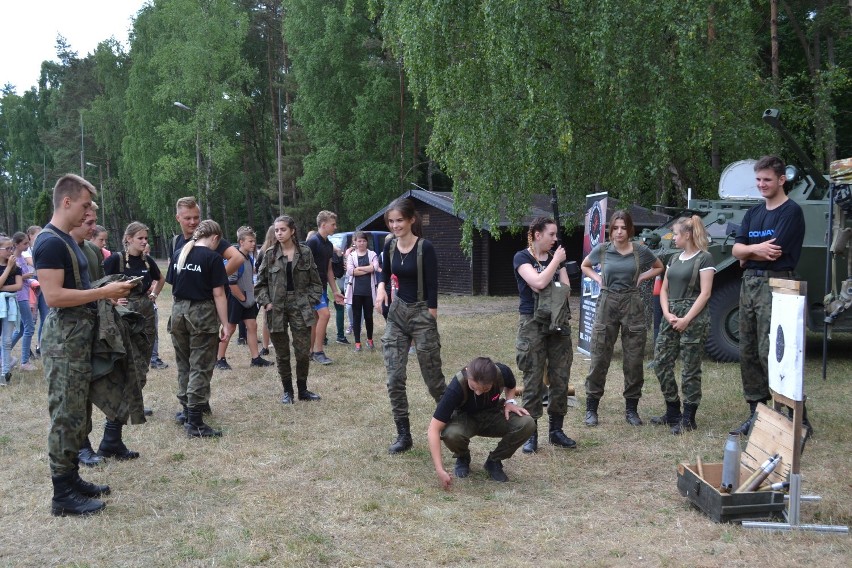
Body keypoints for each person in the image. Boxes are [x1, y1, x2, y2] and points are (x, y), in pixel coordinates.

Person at [33, 173, 133, 516]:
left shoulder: (67, 241)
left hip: (79, 337)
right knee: (65, 414)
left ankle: (72, 477)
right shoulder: (49, 242)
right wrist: (104, 292)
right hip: (64, 341)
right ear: (67, 202)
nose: (90, 211)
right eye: (86, 204)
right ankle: (62, 494)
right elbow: (54, 296)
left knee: (78, 412)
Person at [731, 155, 811, 437]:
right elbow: (736, 251)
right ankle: (757, 413)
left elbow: (773, 251)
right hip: (750, 285)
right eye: (758, 180)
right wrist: (752, 250)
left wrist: (748, 251)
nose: (762, 185)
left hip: (777, 284)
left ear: (781, 179)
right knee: (749, 350)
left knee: (776, 352)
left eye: (767, 180)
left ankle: (795, 417)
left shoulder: (791, 212)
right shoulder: (753, 213)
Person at [375, 197, 446, 454]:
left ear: (411, 220)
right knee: (394, 378)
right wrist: (381, 288)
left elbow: (433, 285)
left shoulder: (424, 247)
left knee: (433, 380)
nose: (395, 226)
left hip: (421, 312)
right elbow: (383, 273)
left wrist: (430, 317)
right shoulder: (389, 246)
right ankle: (403, 434)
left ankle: (452, 422)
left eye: (399, 220)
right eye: (391, 221)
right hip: (397, 314)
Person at [581, 210, 664, 426]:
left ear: (629, 229)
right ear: (610, 229)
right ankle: (591, 409)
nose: (619, 232)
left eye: (623, 227)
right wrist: (598, 279)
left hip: (632, 302)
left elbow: (659, 267)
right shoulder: (603, 250)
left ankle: (631, 410)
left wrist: (643, 276)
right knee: (599, 356)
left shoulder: (640, 251)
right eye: (616, 227)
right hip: (607, 301)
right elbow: (585, 265)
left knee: (634, 359)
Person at [170, 197, 241, 419]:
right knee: (196, 362)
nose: (192, 222)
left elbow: (237, 258)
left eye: (196, 218)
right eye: (188, 218)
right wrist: (211, 280)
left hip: (184, 311)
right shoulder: (177, 244)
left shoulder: (210, 243)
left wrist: (213, 278)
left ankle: (195, 406)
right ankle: (192, 412)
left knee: (191, 362)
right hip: (194, 311)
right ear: (178, 218)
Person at [513, 217, 577, 453]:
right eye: (551, 234)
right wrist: (556, 264)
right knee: (533, 377)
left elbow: (566, 290)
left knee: (560, 376)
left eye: (556, 234)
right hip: (532, 323)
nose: (555, 239)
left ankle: (556, 431)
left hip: (558, 321)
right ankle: (530, 433)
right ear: (537, 235)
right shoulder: (522, 257)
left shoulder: (553, 260)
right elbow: (538, 282)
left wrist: (555, 267)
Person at [650, 216, 716, 434]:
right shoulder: (674, 258)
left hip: (694, 318)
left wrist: (687, 319)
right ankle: (672, 411)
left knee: (690, 368)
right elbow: (665, 289)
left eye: (676, 234)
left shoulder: (705, 258)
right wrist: (667, 314)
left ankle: (689, 417)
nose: (673, 238)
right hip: (672, 315)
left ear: (687, 235)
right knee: (661, 362)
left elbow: (705, 293)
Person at [167, 219, 231, 437]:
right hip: (201, 314)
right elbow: (219, 293)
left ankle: (186, 410)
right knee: (200, 366)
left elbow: (174, 285)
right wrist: (225, 323)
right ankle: (195, 422)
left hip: (178, 312)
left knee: (184, 363)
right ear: (214, 238)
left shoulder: (179, 255)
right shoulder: (212, 258)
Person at [428, 357, 534, 487]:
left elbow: (511, 385)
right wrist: (440, 469)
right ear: (467, 373)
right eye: (473, 387)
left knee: (527, 423)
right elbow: (433, 428)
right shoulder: (456, 387)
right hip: (466, 418)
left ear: (493, 380)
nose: (478, 393)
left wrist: (510, 402)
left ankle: (494, 461)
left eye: (485, 389)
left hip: (493, 415)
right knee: (451, 434)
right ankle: (463, 456)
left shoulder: (502, 372)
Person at [255, 215, 323, 404]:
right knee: (282, 353)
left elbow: (316, 283)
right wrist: (267, 302)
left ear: (292, 231)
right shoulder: (269, 254)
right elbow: (259, 284)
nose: (279, 233)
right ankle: (287, 392)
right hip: (276, 308)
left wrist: (310, 301)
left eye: (283, 229)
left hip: (300, 306)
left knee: (302, 352)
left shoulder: (305, 252)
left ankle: (302, 390)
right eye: (276, 230)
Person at [103, 221, 166, 422]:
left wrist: (154, 294)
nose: (144, 242)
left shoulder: (147, 261)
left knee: (144, 360)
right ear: (128, 239)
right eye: (140, 238)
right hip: (124, 314)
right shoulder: (116, 260)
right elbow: (100, 283)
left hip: (146, 313)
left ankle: (134, 402)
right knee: (130, 361)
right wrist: (112, 300)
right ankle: (125, 405)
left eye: (146, 238)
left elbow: (161, 279)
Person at [215, 226, 273, 370]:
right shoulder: (236, 259)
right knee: (230, 328)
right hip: (236, 300)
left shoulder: (249, 258)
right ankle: (219, 359)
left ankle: (256, 358)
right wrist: (243, 298)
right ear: (241, 242)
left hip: (247, 300)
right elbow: (231, 283)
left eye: (254, 241)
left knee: (252, 326)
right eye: (250, 241)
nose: (254, 244)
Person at [306, 211, 345, 365]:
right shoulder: (313, 242)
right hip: (311, 287)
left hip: (321, 286)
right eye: (333, 224)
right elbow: (303, 267)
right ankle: (318, 351)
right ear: (323, 225)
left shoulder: (328, 245)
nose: (335, 227)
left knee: (316, 319)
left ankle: (310, 352)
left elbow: (329, 269)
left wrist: (335, 290)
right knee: (325, 315)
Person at [345, 231, 380, 352]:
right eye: (359, 241)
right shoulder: (351, 256)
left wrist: (359, 268)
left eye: (364, 241)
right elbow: (351, 271)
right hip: (355, 292)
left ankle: (370, 340)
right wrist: (367, 269)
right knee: (356, 317)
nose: (361, 243)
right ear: (354, 242)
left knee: (369, 316)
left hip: (369, 292)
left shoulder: (372, 254)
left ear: (367, 242)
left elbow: (375, 267)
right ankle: (357, 343)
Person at [9, 232, 37, 372]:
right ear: (17, 244)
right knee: (29, 327)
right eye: (25, 243)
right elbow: (12, 277)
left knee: (20, 330)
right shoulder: (13, 259)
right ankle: (24, 362)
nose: (27, 245)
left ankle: (4, 354)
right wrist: (25, 276)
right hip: (20, 296)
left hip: (25, 293)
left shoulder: (22, 258)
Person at [0, 234, 23, 385]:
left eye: (12, 248)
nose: (10, 251)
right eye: (7, 248)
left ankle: (5, 373)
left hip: (9, 305)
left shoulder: (17, 268)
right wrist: (7, 268)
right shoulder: (10, 267)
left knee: (7, 340)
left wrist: (2, 289)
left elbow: (18, 286)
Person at [256, 225, 276, 357]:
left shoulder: (263, 250)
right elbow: (259, 271)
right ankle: (265, 346)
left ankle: (265, 346)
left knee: (267, 319)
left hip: (270, 288)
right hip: (269, 288)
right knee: (268, 318)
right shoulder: (266, 252)